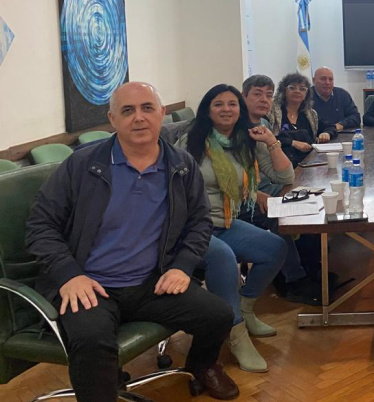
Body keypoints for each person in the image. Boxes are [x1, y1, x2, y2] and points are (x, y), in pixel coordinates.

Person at [25, 82, 239, 401]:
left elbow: (199, 223)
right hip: (91, 284)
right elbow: (40, 226)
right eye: (127, 111)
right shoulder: (81, 165)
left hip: (151, 282)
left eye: (147, 108)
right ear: (112, 120)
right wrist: (69, 275)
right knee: (92, 340)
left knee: (218, 315)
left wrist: (182, 266)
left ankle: (203, 365)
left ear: (161, 114)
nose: (138, 117)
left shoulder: (181, 166)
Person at [180, 84, 292, 373]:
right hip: (193, 229)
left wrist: (270, 140)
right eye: (218, 104)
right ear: (207, 110)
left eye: (232, 104)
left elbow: (285, 175)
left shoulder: (246, 141)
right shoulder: (191, 142)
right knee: (223, 257)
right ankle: (235, 332)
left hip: (226, 223)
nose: (226, 109)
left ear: (240, 110)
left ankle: (245, 308)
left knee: (275, 247)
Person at [240, 75, 323, 307]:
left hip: (268, 187)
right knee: (280, 215)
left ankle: (311, 268)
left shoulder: (263, 125)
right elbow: (225, 177)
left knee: (312, 203)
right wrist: (253, 194)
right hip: (241, 198)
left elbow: (284, 177)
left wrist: (272, 142)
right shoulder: (234, 130)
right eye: (257, 94)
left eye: (268, 95)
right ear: (244, 96)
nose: (264, 99)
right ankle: (292, 279)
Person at [266, 73, 337, 166]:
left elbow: (330, 127)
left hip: (308, 163)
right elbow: (267, 138)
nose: (297, 91)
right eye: (292, 88)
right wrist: (292, 143)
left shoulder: (310, 114)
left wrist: (327, 133)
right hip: (280, 163)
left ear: (306, 94)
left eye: (302, 89)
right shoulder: (271, 112)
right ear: (284, 90)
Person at [311, 66, 361, 131]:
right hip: (317, 135)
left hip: (339, 134)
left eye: (330, 79)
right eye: (323, 79)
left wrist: (340, 125)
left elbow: (355, 117)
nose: (327, 83)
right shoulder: (306, 96)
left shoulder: (342, 94)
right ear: (314, 80)